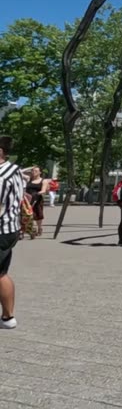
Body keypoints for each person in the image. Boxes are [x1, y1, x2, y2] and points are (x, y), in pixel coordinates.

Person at [1, 136, 26, 328]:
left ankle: (9, 317)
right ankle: (8, 317)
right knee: (1, 273)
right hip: (10, 228)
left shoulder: (1, 176)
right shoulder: (15, 171)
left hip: (1, 229)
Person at [22, 167, 48, 237]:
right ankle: (31, 230)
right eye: (33, 171)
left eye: (36, 171)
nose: (34, 172)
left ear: (40, 172)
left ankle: (39, 228)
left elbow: (43, 190)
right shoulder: (28, 179)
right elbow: (20, 173)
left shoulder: (43, 181)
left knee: (38, 215)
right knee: (28, 214)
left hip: (37, 199)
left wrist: (37, 193)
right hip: (28, 199)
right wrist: (29, 168)